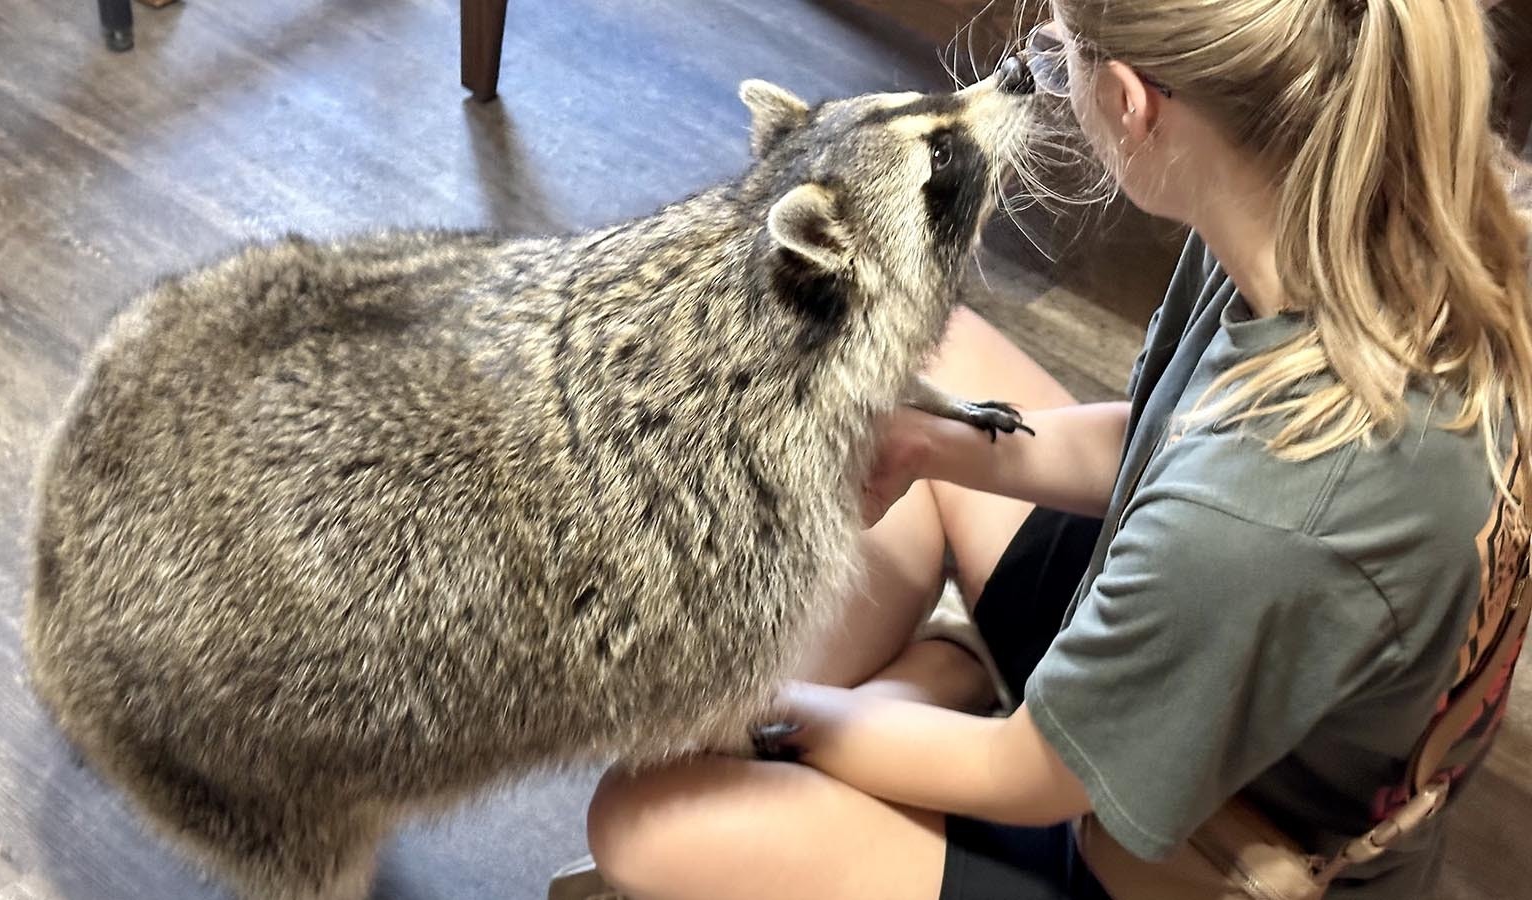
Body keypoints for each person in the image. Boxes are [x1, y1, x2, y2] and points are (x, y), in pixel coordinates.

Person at [549, 0, 1532, 897]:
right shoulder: (1317, 201)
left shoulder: (1261, 513)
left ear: (1129, 104)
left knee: (647, 818)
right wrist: (932, 447)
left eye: (1055, 61)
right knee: (930, 384)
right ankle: (933, 682)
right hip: (1201, 667)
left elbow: (1025, 774)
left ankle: (922, 688)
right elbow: (1160, 446)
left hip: (1183, 852)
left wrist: (775, 714)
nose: (1045, 81)